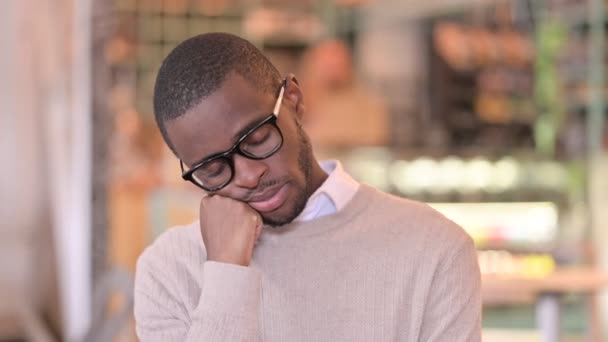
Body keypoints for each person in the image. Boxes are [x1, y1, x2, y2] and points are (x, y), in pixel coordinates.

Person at [134, 32, 481, 341]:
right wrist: (226, 271)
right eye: (212, 169)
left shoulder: (432, 248)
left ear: (294, 101)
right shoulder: (169, 270)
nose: (247, 175)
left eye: (256, 139)